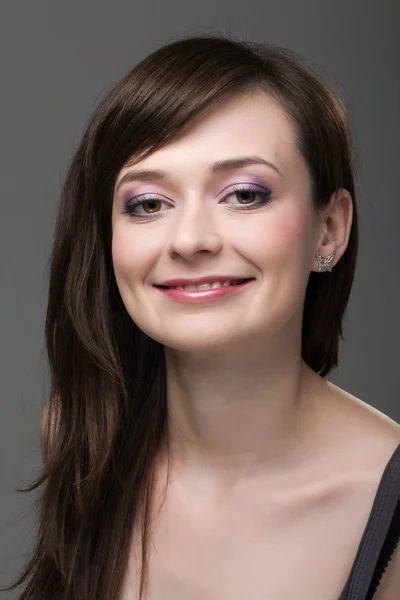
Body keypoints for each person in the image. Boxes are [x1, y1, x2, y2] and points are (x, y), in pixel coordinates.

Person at [3, 32, 399, 600]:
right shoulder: (81, 438)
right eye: (148, 204)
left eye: (244, 194)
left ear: (330, 229)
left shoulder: (388, 505)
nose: (189, 240)